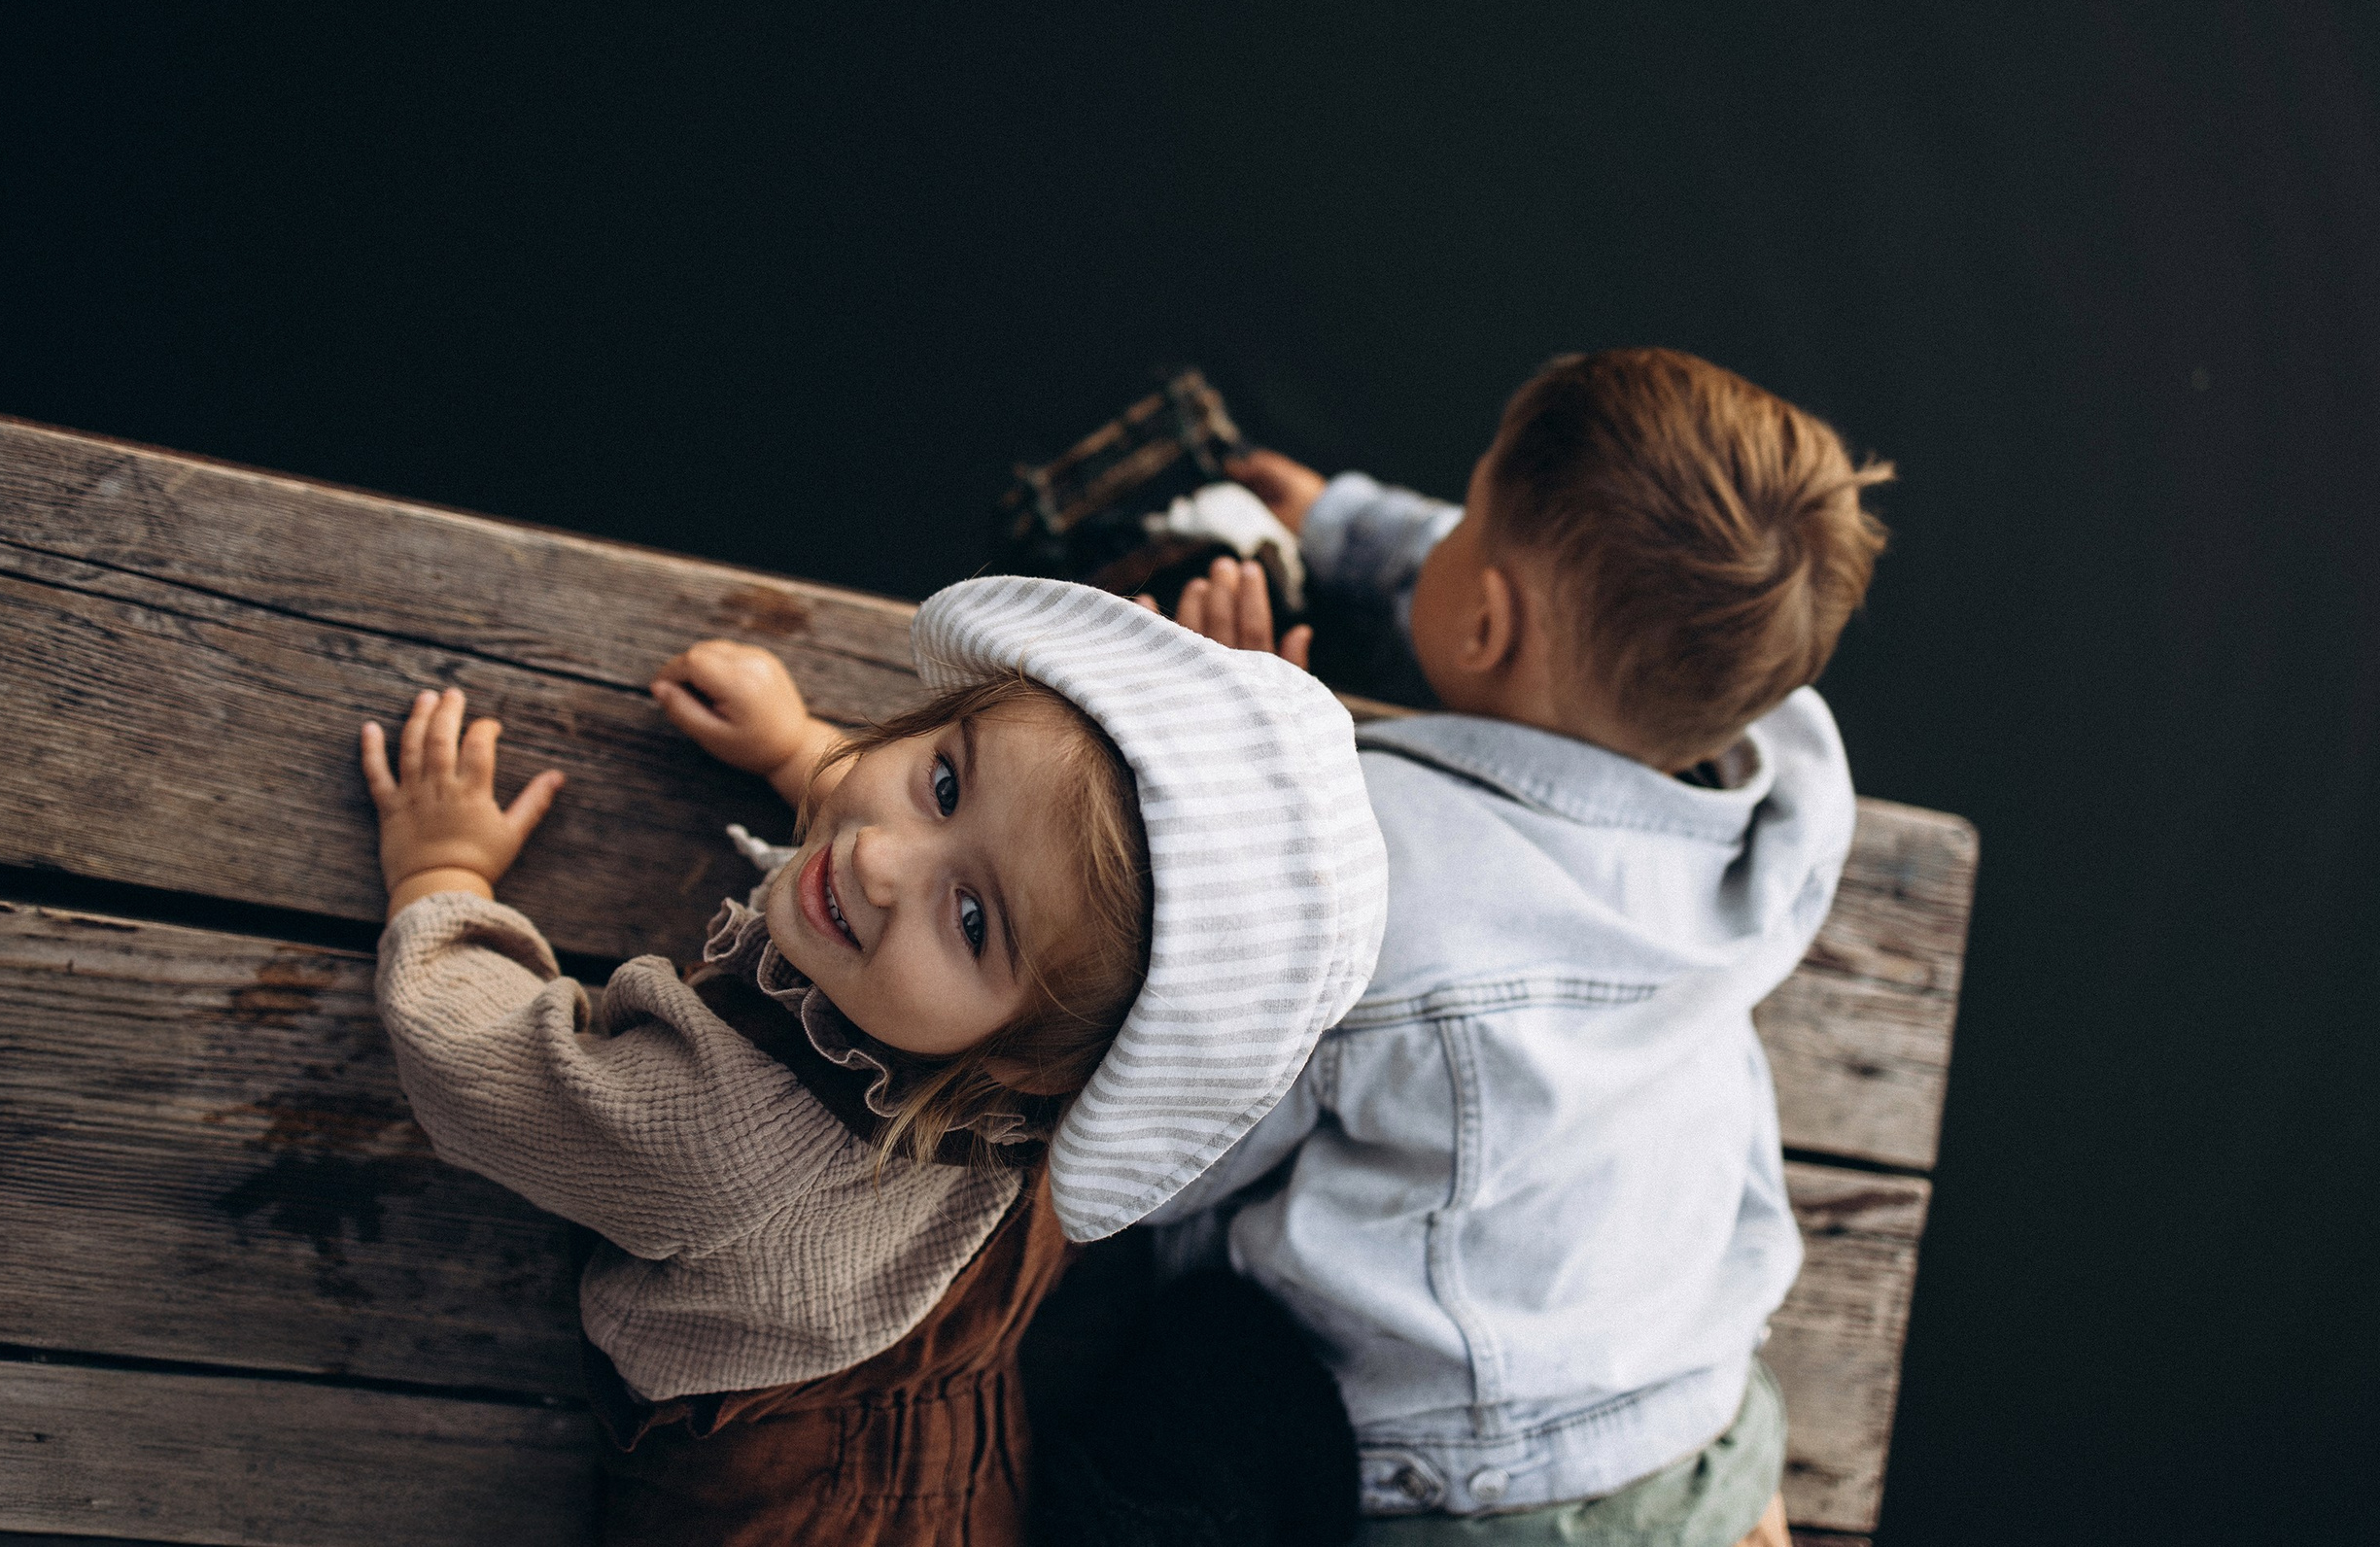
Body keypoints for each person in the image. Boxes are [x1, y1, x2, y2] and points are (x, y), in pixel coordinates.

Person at [353, 575, 1388, 1547]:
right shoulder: (1051, 1054)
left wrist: (442, 871)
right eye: (943, 779)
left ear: (1037, 1067)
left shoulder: (711, 1124)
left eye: (972, 920)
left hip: (789, 1510)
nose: (877, 859)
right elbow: (1000, 844)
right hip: (960, 1419)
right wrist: (793, 748)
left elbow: (477, 1065)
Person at [1147, 348, 1894, 1547]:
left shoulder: (1365, 870)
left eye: (1463, 517)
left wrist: (1242, 768)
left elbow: (1168, 1158)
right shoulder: (1787, 795)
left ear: (1489, 620)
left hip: (1470, 1494)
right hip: (1704, 1418)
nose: (1440, 533)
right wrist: (1351, 526)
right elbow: (1582, 584)